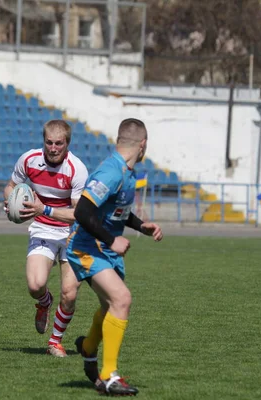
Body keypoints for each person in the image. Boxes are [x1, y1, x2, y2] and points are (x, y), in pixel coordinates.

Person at [67, 118, 163, 396]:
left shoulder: (126, 172)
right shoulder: (110, 172)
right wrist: (111, 239)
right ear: (142, 144)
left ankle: (87, 348)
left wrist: (141, 226)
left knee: (110, 306)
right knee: (122, 299)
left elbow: (115, 211)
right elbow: (82, 211)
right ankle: (109, 375)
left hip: (106, 251)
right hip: (86, 248)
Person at [3, 119, 89, 357]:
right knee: (35, 285)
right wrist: (11, 204)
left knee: (70, 292)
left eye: (58, 143)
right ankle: (44, 302)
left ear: (67, 144)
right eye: (49, 142)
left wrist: (46, 210)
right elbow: (11, 186)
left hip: (73, 232)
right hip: (43, 229)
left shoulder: (76, 169)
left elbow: (78, 214)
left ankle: (55, 341)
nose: (53, 148)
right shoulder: (29, 160)